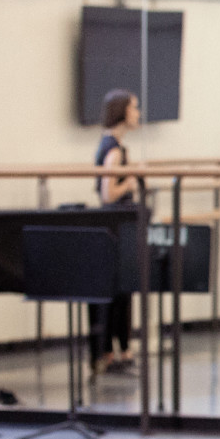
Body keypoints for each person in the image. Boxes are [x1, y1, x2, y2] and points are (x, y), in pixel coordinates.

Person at [90, 89, 140, 377]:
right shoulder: (113, 149)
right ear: (122, 111)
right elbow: (108, 193)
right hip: (116, 226)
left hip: (118, 227)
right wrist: (131, 181)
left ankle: (121, 350)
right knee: (119, 293)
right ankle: (115, 352)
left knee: (123, 293)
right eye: (134, 108)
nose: (138, 113)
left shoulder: (113, 145)